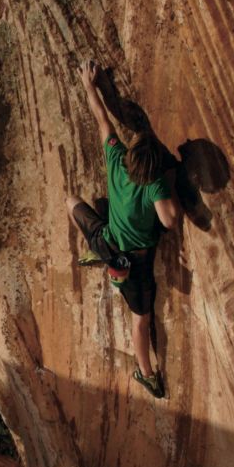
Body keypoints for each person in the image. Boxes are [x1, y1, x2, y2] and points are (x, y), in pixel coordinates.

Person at [66, 60, 178, 398]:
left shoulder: (116, 160)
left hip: (107, 241)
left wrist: (90, 85)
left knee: (71, 201)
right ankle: (147, 374)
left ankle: (97, 253)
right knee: (141, 321)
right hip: (137, 262)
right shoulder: (154, 184)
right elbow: (169, 220)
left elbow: (102, 120)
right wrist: (169, 185)